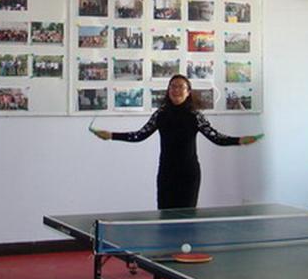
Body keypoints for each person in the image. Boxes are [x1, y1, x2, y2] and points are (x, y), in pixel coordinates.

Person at [92, 75, 261, 209]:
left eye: (181, 87)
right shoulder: (161, 114)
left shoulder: (195, 116)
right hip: (166, 173)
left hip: (189, 174)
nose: (176, 90)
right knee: (165, 215)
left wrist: (240, 140)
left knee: (187, 217)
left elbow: (216, 138)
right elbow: (139, 135)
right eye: (173, 86)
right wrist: (111, 135)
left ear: (188, 92)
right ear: (168, 91)